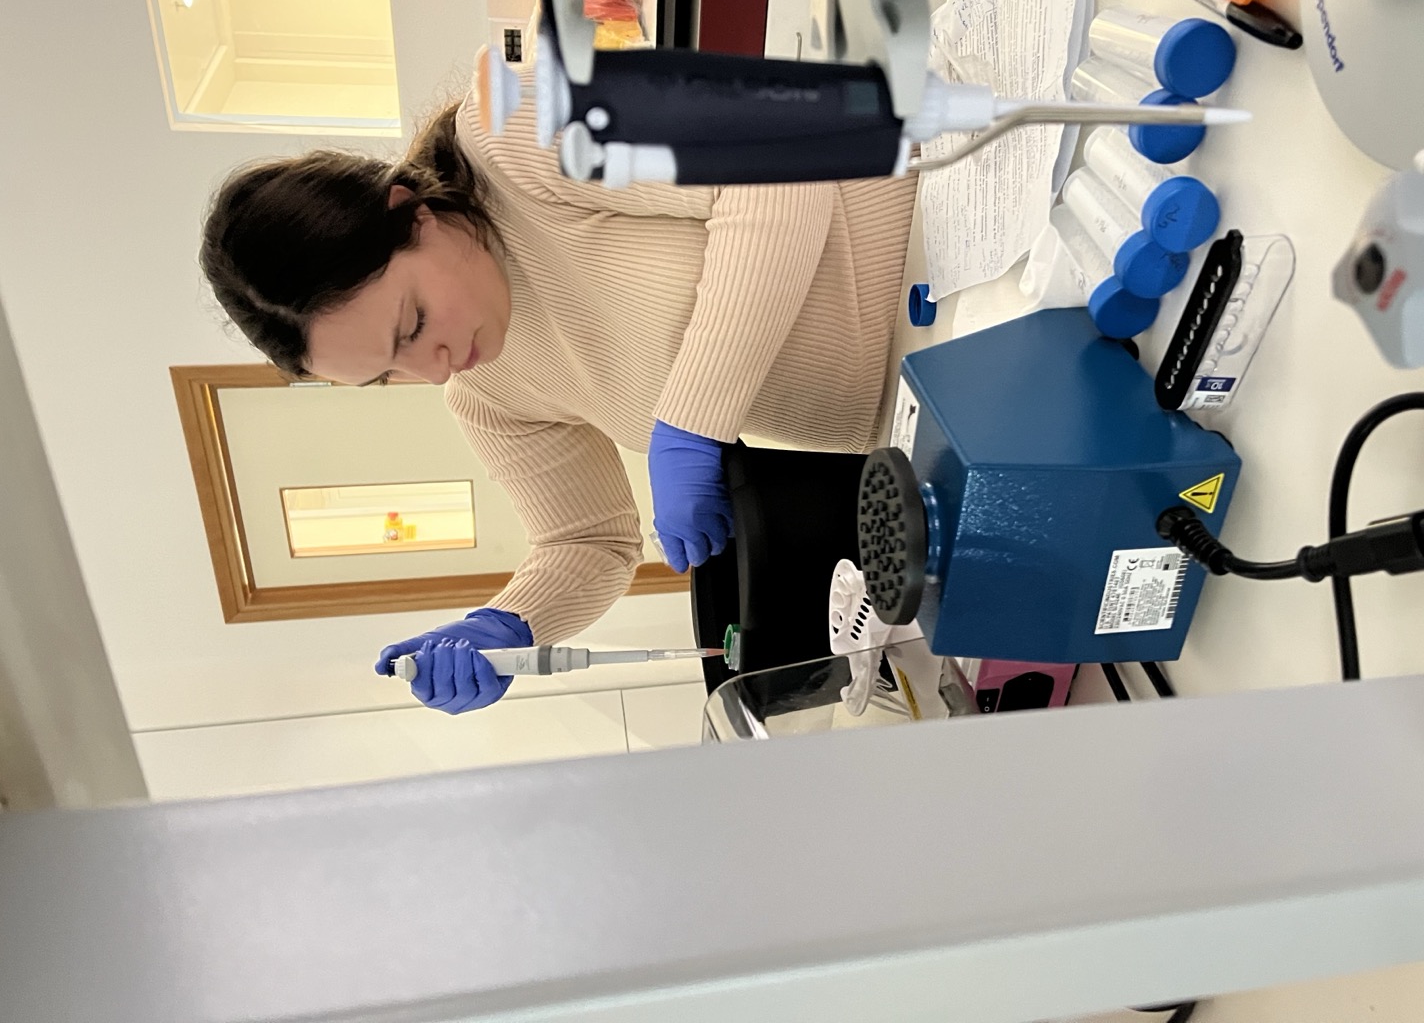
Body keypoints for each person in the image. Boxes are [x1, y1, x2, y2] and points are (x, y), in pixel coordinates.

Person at [200, 62, 917, 714]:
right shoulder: (488, 396)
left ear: (411, 212)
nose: (434, 369)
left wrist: (692, 420)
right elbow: (588, 541)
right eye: (389, 375)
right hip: (909, 415)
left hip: (944, 244)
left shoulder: (510, 128)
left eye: (411, 324)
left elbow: (780, 165)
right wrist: (509, 623)